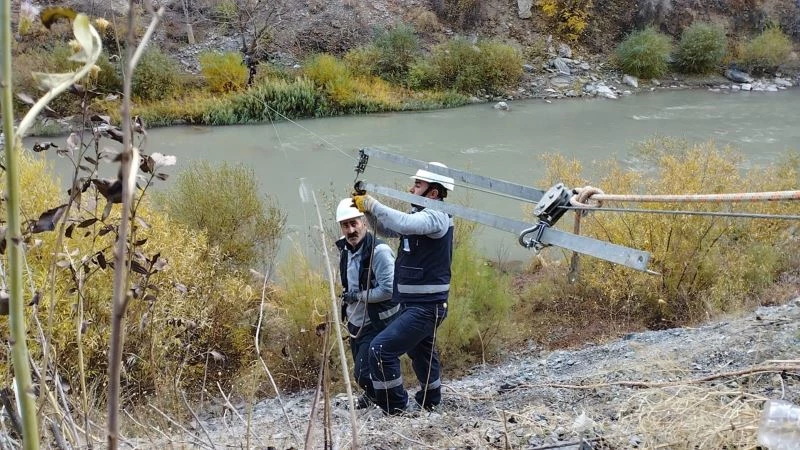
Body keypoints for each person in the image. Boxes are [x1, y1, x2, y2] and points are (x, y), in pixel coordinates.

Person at [351, 162, 455, 415]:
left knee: (380, 350)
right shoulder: (420, 215)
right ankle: (430, 400)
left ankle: (395, 407)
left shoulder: (436, 216)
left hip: (427, 306)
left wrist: (372, 204)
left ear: (433, 193)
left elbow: (404, 223)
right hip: (415, 303)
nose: (411, 188)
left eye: (417, 185)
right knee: (421, 353)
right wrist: (367, 212)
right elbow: (388, 227)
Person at [335, 198, 398, 409]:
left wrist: (359, 296)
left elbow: (389, 290)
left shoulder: (379, 252)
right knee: (363, 368)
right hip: (355, 321)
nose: (351, 229)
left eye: (354, 223)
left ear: (363, 222)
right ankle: (374, 397)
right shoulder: (345, 249)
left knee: (362, 372)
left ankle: (387, 401)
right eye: (345, 225)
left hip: (376, 321)